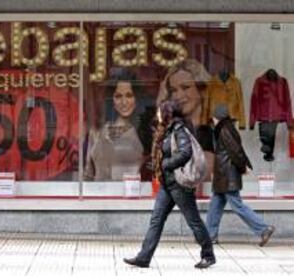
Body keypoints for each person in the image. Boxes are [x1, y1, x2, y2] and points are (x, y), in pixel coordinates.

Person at [123, 100, 216, 269]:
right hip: (167, 185)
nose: (157, 114)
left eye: (160, 111)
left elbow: (185, 152)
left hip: (179, 184)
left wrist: (166, 163)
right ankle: (144, 257)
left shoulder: (179, 130)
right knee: (156, 220)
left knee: (193, 221)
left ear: (167, 113)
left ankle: (208, 255)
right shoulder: (166, 130)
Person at [206, 104, 276, 246]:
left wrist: (243, 166)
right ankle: (210, 236)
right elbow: (238, 149)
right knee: (215, 204)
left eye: (213, 117)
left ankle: (263, 228)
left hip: (226, 176)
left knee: (237, 205)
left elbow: (236, 151)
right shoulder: (228, 128)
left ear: (217, 118)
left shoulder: (224, 129)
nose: (212, 120)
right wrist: (245, 165)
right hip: (223, 176)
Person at [84, 68, 144, 181]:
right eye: (118, 96)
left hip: (131, 194)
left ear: (136, 99)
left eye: (129, 95)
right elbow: (88, 174)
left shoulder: (143, 133)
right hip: (98, 195)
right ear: (112, 100)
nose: (124, 102)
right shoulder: (96, 132)